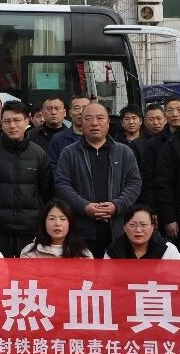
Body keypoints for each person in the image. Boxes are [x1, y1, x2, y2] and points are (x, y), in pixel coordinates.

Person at [54, 101, 142, 257]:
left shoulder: (124, 152)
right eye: (88, 119)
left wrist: (116, 205)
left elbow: (134, 183)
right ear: (81, 122)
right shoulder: (69, 153)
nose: (94, 123)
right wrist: (84, 206)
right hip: (81, 230)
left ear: (108, 122)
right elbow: (62, 184)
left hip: (117, 229)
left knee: (116, 271)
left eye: (100, 118)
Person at [0, 100, 53, 257]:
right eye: (7, 121)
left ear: (27, 121)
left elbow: (46, 191)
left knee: (29, 272)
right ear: (1, 124)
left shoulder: (39, 154)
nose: (12, 125)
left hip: (30, 229)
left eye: (17, 120)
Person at [137, 95, 180, 207]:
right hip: (164, 203)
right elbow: (148, 179)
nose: (175, 114)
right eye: (170, 110)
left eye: (179, 110)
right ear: (165, 115)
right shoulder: (153, 143)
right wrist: (151, 207)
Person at [19, 200, 94, 258]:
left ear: (70, 223)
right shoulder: (30, 253)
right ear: (44, 222)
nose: (57, 223)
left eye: (63, 219)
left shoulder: (83, 254)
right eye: (52, 219)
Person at [106, 204, 180, 260]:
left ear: (152, 227)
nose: (138, 230)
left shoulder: (168, 250)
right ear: (124, 227)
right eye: (133, 225)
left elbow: (176, 276)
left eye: (143, 225)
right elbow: (106, 276)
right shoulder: (114, 249)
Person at [48, 95, 91, 162]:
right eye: (77, 108)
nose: (81, 112)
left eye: (85, 108)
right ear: (70, 113)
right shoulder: (58, 139)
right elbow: (53, 165)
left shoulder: (100, 138)